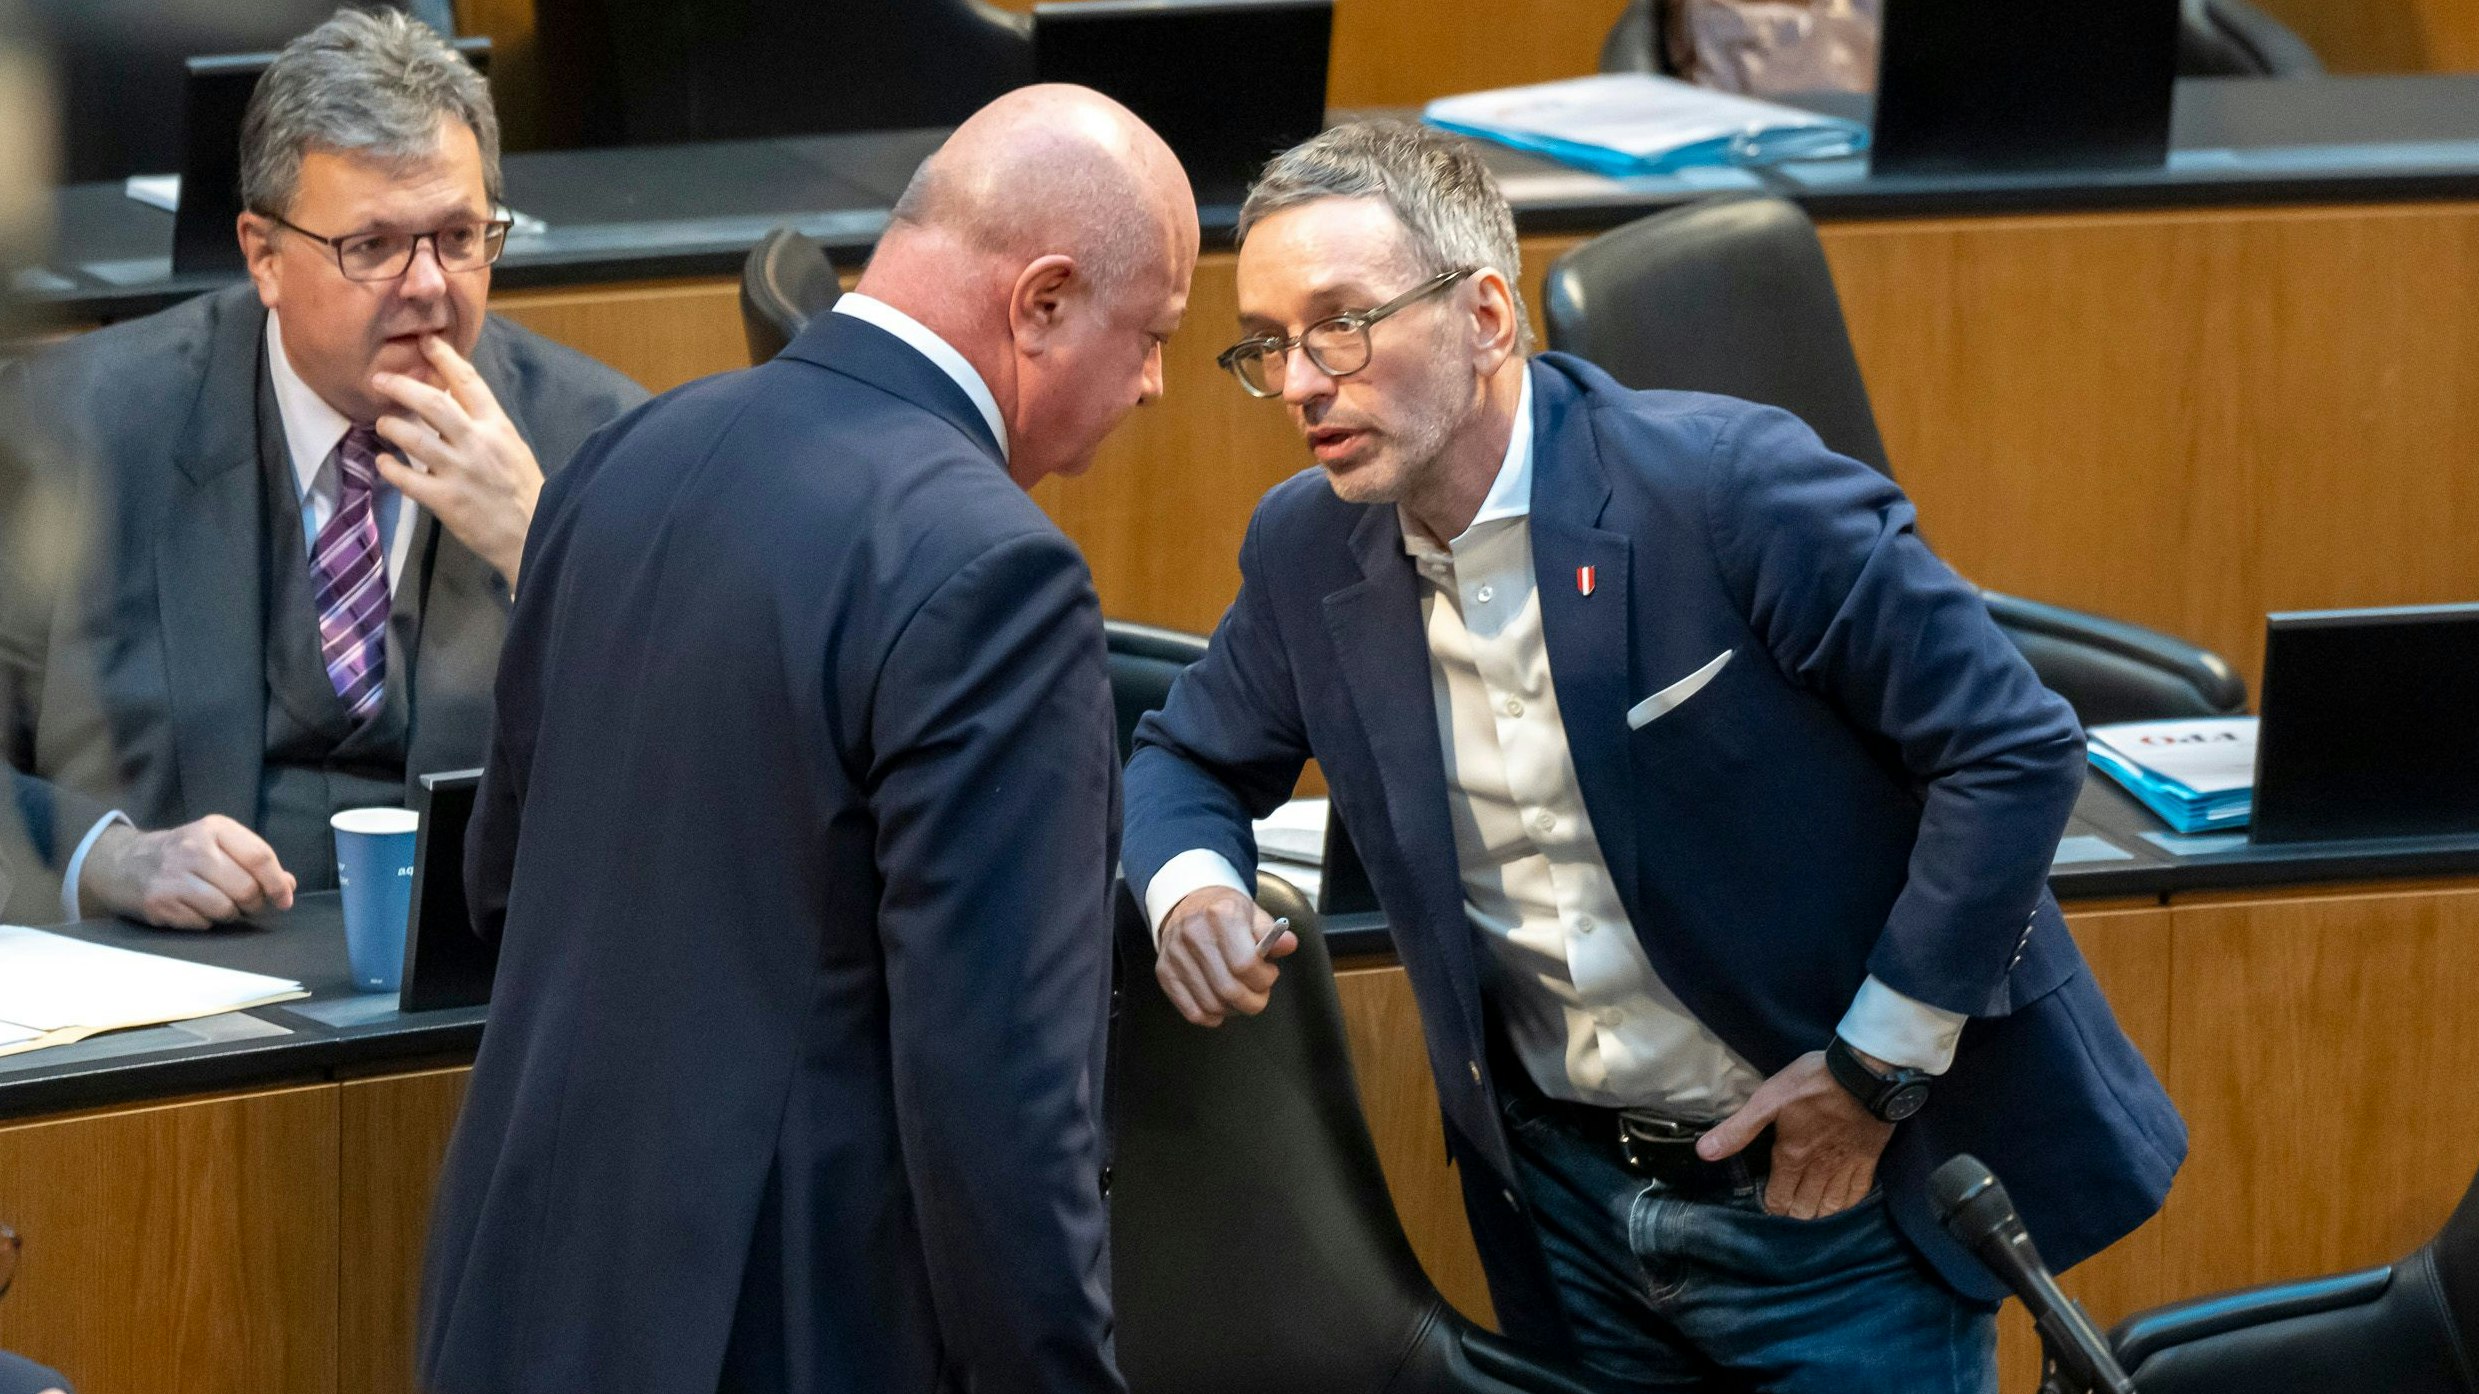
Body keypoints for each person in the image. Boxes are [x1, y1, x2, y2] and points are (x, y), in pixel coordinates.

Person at [1123, 122, 2185, 1394]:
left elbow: (2009, 745)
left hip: (1822, 1201)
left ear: (1486, 317)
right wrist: (1189, 885)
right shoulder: (1309, 549)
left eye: (1340, 324)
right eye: (1268, 343)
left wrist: (1873, 1067)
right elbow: (1185, 749)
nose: (1298, 381)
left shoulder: (1726, 489)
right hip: (1565, 1207)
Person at [418, 85, 1197, 1394]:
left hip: (517, 1301)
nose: (1158, 385)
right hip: (786, 1330)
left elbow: (500, 882)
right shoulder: (992, 575)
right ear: (1043, 300)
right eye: (1154, 332)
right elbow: (996, 1111)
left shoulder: (627, 459)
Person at [0, 8, 645, 928]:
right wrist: (107, 855)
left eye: (459, 238)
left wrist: (538, 545)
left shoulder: (597, 438)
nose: (427, 284)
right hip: (171, 989)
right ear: (263, 255)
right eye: (373, 246)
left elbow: (703, 760)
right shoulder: (80, 425)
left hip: (483, 985)